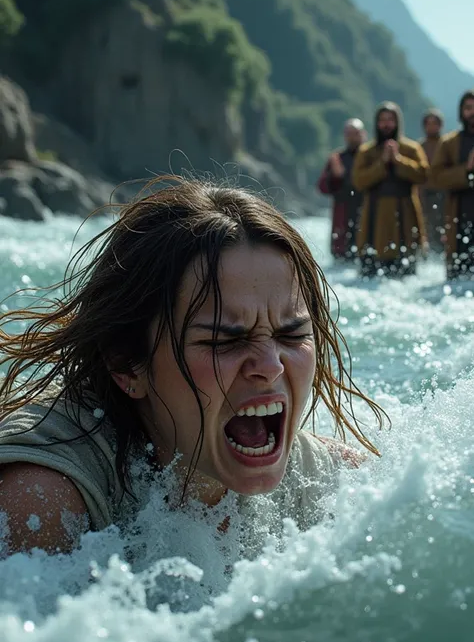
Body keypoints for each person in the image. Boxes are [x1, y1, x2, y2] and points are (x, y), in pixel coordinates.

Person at [0, 178, 387, 560]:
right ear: (126, 364)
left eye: (291, 334)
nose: (270, 367)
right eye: (224, 341)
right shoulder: (41, 504)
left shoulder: (336, 485)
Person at [352, 101, 429, 278]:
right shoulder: (366, 151)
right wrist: (382, 163)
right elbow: (359, 181)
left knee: (406, 274)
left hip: (405, 217)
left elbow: (423, 175)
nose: (386, 124)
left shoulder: (412, 148)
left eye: (390, 120)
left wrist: (398, 160)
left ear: (397, 122)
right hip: (374, 216)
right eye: (382, 120)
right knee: (370, 275)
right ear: (377, 123)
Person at [431, 90, 474, 281]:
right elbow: (436, 177)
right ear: (461, 112)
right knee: (458, 277)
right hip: (459, 215)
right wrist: (467, 168)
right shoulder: (448, 143)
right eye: (468, 108)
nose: (472, 112)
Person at [317, 118, 366, 261]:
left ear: (363, 134)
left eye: (355, 133)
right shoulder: (336, 158)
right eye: (349, 133)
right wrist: (335, 176)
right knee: (342, 258)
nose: (352, 137)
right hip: (342, 216)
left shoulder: (370, 156)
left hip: (365, 213)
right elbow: (322, 187)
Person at [419, 108, 446, 252]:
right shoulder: (419, 147)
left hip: (444, 195)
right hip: (425, 195)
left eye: (434, 123)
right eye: (428, 123)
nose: (431, 127)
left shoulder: (447, 145)